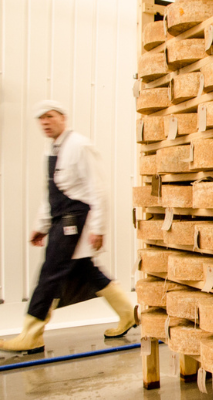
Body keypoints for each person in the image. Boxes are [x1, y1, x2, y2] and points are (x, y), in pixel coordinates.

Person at [0, 100, 135, 354]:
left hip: (75, 220)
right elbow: (51, 192)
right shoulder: (52, 149)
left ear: (63, 118)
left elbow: (98, 190)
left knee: (50, 273)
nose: (45, 123)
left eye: (50, 117)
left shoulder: (79, 146)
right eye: (41, 119)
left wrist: (98, 227)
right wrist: (41, 224)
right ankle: (128, 314)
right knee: (85, 270)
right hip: (61, 218)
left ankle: (31, 335)